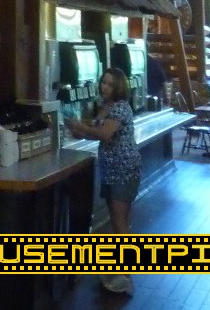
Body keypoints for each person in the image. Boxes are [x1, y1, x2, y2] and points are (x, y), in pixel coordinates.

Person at [68, 66, 141, 296]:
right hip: (112, 171)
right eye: (104, 82)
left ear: (119, 87)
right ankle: (119, 272)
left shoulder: (120, 108)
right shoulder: (105, 107)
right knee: (118, 223)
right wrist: (79, 131)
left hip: (123, 170)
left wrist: (79, 126)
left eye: (110, 84)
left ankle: (125, 277)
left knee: (120, 224)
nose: (105, 87)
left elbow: (104, 134)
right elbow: (96, 133)